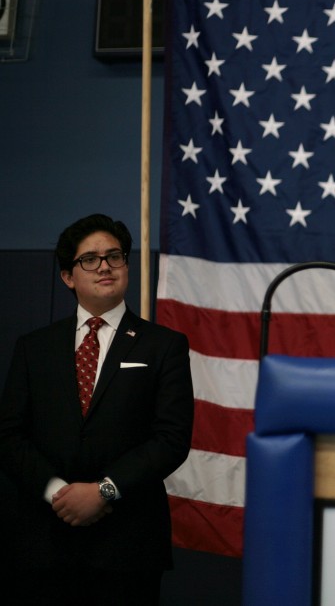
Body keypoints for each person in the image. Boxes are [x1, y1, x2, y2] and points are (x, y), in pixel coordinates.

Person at [0, 214, 194, 605]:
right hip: (44, 541)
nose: (104, 265)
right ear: (68, 277)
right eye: (89, 258)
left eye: (114, 256)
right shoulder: (33, 347)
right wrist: (59, 493)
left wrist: (105, 491)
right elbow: (9, 435)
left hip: (129, 544)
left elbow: (171, 438)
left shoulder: (164, 345)